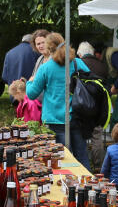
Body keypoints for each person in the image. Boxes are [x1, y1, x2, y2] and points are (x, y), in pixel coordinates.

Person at [25, 31, 91, 170]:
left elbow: (31, 94)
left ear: (49, 49)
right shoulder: (77, 63)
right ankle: (86, 182)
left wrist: (29, 82)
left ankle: (66, 183)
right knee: (82, 156)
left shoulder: (45, 68)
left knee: (61, 160)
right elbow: (91, 81)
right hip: (78, 115)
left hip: (55, 120)